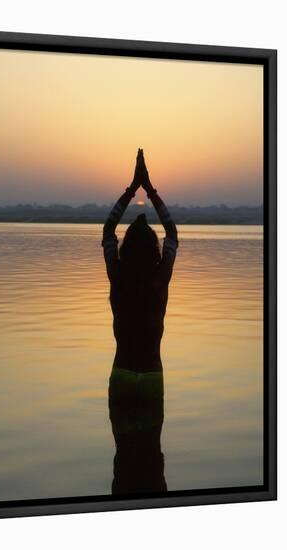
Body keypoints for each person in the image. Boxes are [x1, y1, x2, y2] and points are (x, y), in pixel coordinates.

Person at [102, 148, 178, 495]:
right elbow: (174, 235)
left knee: (123, 461)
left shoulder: (117, 277)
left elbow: (106, 232)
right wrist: (151, 188)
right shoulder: (159, 280)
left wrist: (133, 188)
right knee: (152, 460)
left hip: (121, 375)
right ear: (154, 251)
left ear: (126, 249)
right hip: (150, 375)